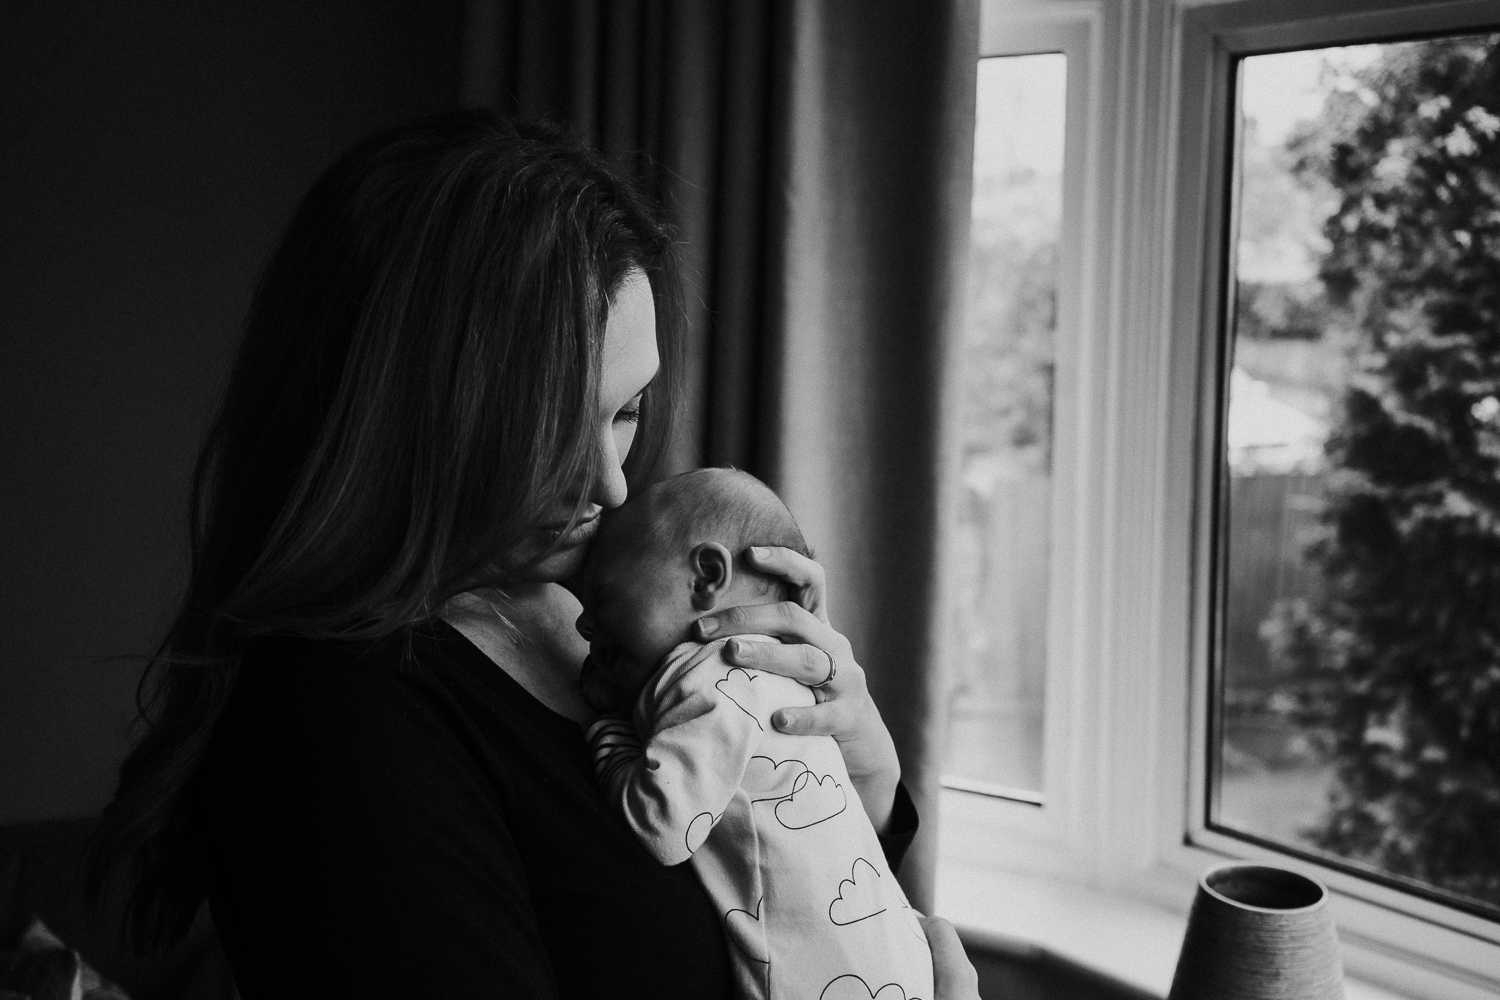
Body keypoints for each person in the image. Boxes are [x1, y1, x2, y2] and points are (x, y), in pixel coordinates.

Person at [89, 112, 980, 1000]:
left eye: (625, 410)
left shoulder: (622, 607)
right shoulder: (332, 723)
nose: (610, 486)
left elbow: (784, 906)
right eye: (550, 427)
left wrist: (865, 780)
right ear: (404, 420)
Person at [577, 467, 933, 1000]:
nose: (585, 625)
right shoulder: (784, 679)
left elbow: (661, 823)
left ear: (705, 577)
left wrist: (608, 736)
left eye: (601, 597)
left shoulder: (713, 678)